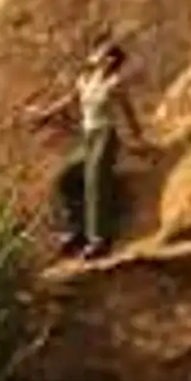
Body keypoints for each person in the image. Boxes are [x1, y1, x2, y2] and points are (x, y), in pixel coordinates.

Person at [26, 39, 151, 259]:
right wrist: (45, 114)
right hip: (88, 137)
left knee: (95, 180)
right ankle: (77, 229)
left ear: (110, 60)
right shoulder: (84, 80)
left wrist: (138, 138)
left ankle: (99, 240)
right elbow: (69, 101)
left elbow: (127, 110)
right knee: (66, 178)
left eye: (100, 53)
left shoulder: (114, 83)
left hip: (105, 136)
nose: (93, 55)